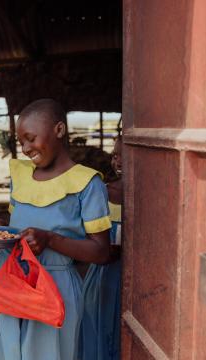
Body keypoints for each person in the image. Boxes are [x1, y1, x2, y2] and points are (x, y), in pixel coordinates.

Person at [0, 99, 112, 360]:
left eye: (31, 138)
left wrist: (50, 238)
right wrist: (2, 228)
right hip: (9, 280)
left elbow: (101, 252)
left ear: (59, 130)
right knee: (8, 351)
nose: (26, 148)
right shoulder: (20, 176)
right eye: (21, 142)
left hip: (54, 288)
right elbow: (20, 230)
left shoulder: (87, 183)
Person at [79, 137, 122, 360]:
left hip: (130, 276)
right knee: (100, 324)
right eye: (115, 155)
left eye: (125, 155)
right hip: (104, 273)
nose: (119, 161)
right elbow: (88, 233)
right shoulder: (102, 193)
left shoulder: (151, 196)